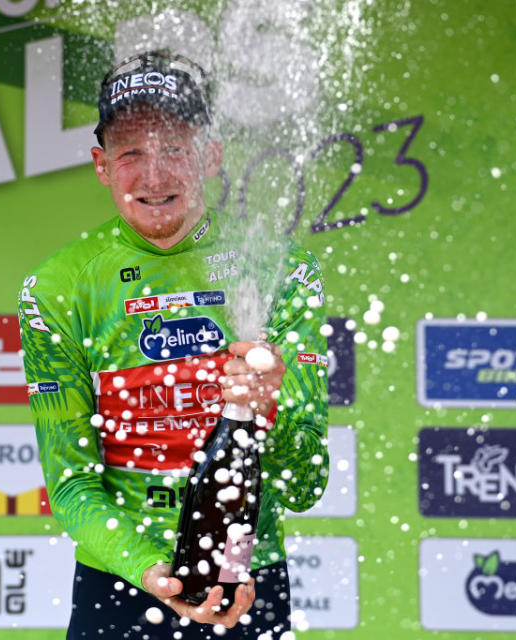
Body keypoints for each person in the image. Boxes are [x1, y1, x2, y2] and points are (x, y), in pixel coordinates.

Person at [18, 50, 329, 639]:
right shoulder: (58, 287)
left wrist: (269, 413)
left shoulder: (282, 271)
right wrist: (148, 569)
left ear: (210, 156)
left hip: (247, 586)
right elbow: (71, 485)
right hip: (119, 588)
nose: (154, 176)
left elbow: (305, 483)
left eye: (173, 149)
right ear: (102, 164)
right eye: (131, 152)